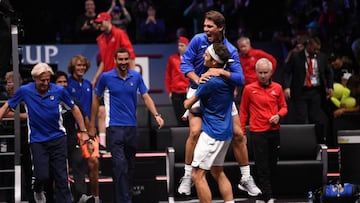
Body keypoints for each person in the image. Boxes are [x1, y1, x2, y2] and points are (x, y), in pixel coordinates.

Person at [179, 10, 261, 197]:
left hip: (219, 92)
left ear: (220, 28)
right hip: (199, 87)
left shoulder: (230, 50)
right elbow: (185, 64)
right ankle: (186, 175)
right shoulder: (198, 40)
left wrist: (222, 73)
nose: (205, 30)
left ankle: (246, 178)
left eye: (210, 26)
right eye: (204, 26)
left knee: (239, 134)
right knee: (194, 132)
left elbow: (240, 78)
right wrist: (197, 79)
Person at [0, 63, 89, 203]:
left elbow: (75, 109)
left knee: (62, 177)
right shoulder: (25, 91)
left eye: (48, 79)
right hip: (37, 140)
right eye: (42, 80)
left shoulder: (59, 91)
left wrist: (83, 131)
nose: (46, 83)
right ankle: (38, 190)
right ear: (35, 78)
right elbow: (7, 106)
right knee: (41, 175)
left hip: (58, 138)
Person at [89, 47, 164, 203]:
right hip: (114, 127)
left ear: (129, 60)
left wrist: (156, 115)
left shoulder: (136, 76)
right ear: (115, 60)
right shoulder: (106, 77)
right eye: (120, 59)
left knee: (129, 168)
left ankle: (124, 198)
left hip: (131, 128)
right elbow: (96, 99)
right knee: (120, 166)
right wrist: (92, 123)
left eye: (125, 59)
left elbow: (146, 97)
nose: (123, 62)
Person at [184, 42, 236, 203]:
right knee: (217, 171)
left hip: (212, 133)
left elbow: (188, 104)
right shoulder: (228, 77)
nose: (203, 57)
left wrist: (200, 83)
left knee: (197, 175)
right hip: (226, 131)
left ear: (214, 62)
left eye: (206, 55)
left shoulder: (208, 82)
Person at [240, 58, 288, 203]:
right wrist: (242, 133)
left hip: (274, 131)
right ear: (256, 72)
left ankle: (262, 193)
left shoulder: (278, 88)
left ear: (271, 72)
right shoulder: (249, 89)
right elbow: (243, 112)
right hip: (257, 132)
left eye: (265, 72)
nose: (262, 75)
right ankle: (267, 196)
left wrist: (278, 116)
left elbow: (284, 107)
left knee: (272, 164)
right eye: (260, 72)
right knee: (262, 165)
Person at [92, 11, 136, 149]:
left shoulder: (120, 34)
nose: (99, 25)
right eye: (97, 23)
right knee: (101, 111)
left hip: (120, 79)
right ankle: (103, 144)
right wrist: (96, 77)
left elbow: (131, 55)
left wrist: (133, 76)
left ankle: (121, 143)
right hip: (106, 79)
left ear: (107, 20)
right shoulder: (100, 39)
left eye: (100, 22)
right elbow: (104, 62)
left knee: (116, 112)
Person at [283, 36, 334, 143]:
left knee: (316, 118)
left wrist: (330, 87)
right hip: (300, 91)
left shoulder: (321, 57)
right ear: (308, 46)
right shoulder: (296, 56)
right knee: (301, 118)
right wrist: (286, 87)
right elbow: (286, 72)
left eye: (318, 49)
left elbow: (329, 72)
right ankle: (302, 143)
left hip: (316, 91)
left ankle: (317, 143)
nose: (316, 51)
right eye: (315, 49)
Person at [66, 55, 101, 203]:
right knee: (74, 166)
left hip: (88, 130)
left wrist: (92, 126)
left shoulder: (88, 84)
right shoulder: (67, 84)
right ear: (73, 67)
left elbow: (91, 108)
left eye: (83, 66)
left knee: (94, 162)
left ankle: (96, 197)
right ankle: (77, 196)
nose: (81, 68)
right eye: (78, 66)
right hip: (72, 132)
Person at [0, 71, 33, 202]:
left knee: (28, 171)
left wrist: (11, 114)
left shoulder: (26, 97)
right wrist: (21, 116)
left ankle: (29, 198)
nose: (11, 86)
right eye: (8, 83)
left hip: (25, 139)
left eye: (13, 83)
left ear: (20, 83)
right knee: (6, 172)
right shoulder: (2, 97)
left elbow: (31, 114)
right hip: (6, 139)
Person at [164, 36, 190, 127]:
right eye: (178, 45)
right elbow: (168, 75)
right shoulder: (172, 58)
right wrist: (169, 90)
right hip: (176, 92)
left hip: (188, 92)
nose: (179, 47)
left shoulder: (191, 59)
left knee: (189, 117)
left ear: (187, 46)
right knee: (179, 117)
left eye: (182, 45)